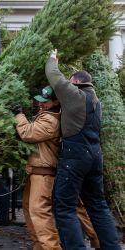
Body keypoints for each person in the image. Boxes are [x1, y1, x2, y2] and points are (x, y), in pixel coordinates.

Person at [45, 49, 121, 250]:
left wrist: (53, 57)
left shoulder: (75, 95)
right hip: (95, 156)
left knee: (64, 207)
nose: (68, 84)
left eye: (70, 81)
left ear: (76, 83)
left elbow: (53, 74)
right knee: (97, 205)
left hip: (75, 156)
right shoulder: (97, 102)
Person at [10, 86, 100, 250]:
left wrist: (19, 115)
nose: (40, 104)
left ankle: (51, 247)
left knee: (39, 212)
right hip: (37, 171)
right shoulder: (47, 115)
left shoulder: (52, 120)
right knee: (30, 209)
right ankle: (40, 245)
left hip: (44, 174)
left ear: (57, 101)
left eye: (46, 102)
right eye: (40, 101)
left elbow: (28, 133)